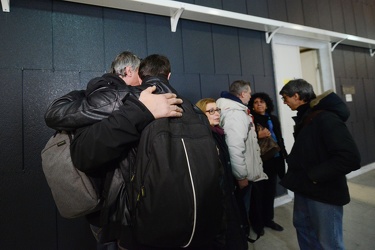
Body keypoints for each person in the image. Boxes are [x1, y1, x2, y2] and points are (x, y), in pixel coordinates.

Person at [44, 51, 183, 249]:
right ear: (128, 71)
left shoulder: (93, 99)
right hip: (114, 217)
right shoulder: (103, 97)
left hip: (130, 212)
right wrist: (139, 108)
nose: (145, 81)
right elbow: (81, 149)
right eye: (140, 75)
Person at [279, 79, 361, 250]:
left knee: (329, 242)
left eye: (285, 98)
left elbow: (350, 157)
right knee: (304, 228)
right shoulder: (307, 117)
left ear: (297, 95)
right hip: (305, 187)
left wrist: (314, 176)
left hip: (324, 191)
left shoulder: (325, 118)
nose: (284, 102)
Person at [216, 80, 267, 240]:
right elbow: (235, 147)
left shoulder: (235, 110)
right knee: (240, 210)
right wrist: (241, 176)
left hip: (241, 171)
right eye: (250, 93)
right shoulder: (236, 114)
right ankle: (240, 238)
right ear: (243, 93)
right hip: (241, 174)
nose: (250, 97)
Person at [195, 98, 248, 250]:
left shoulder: (219, 133)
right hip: (218, 198)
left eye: (217, 110)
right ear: (201, 114)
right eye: (211, 111)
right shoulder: (205, 138)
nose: (216, 114)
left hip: (228, 192)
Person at [248, 92, 288, 234]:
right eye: (256, 102)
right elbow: (245, 140)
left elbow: (279, 138)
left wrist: (285, 156)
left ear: (267, 104)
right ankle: (257, 224)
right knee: (258, 194)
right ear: (252, 105)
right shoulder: (250, 119)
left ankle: (268, 219)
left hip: (275, 159)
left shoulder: (273, 119)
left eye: (262, 102)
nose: (259, 104)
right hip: (260, 161)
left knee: (270, 192)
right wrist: (258, 135)